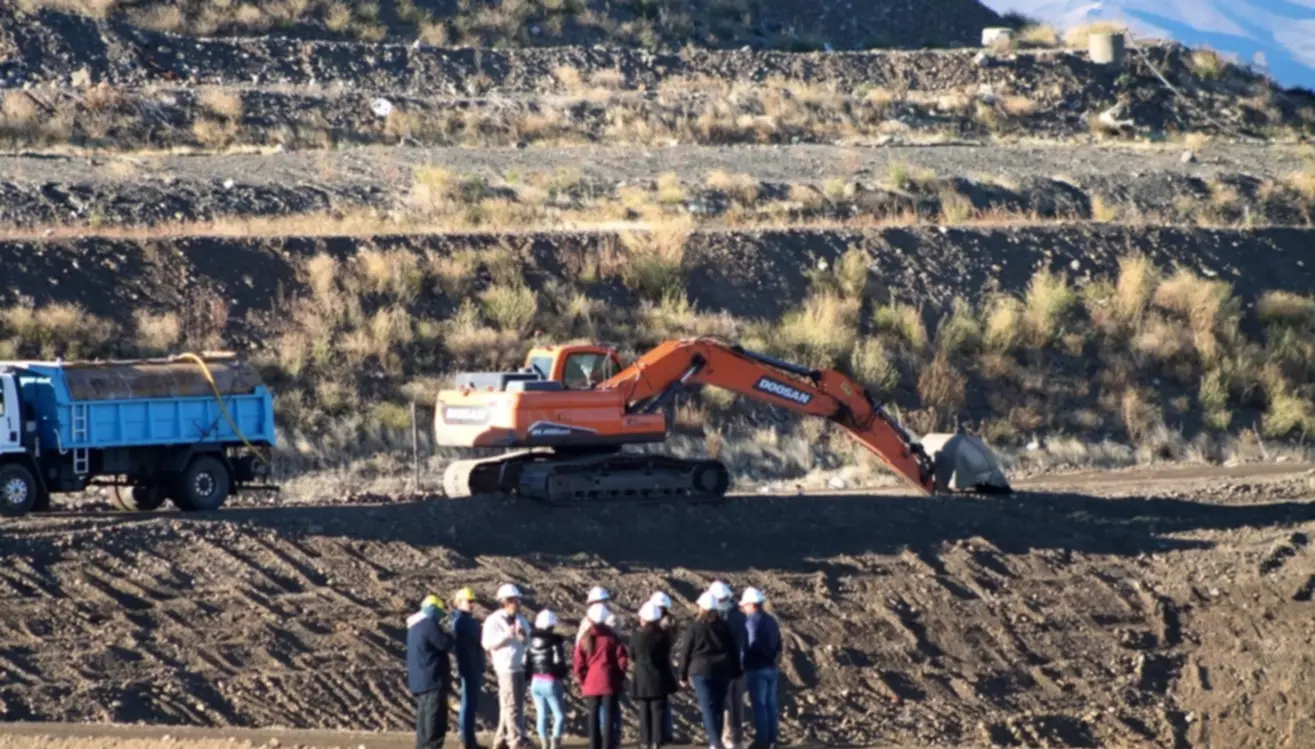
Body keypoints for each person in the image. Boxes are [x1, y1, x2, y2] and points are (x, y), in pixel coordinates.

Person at [679, 591, 742, 749]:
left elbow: (686, 651)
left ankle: (714, 742)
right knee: (719, 706)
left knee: (708, 707)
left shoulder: (694, 627)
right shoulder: (724, 627)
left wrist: (683, 675)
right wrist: (736, 671)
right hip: (723, 670)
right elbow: (732, 650)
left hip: (701, 671)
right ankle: (717, 741)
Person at [573, 602, 629, 749]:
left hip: (591, 683)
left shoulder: (584, 639)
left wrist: (583, 680)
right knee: (609, 717)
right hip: (609, 682)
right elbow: (622, 659)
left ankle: (594, 745)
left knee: (593, 716)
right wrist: (618, 676)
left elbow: (578, 664)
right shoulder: (612, 638)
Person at [483, 583, 531, 749]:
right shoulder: (494, 621)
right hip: (505, 667)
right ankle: (515, 739)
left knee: (511, 704)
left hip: (519, 666)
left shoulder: (521, 620)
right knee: (511, 705)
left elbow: (528, 641)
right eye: (512, 600)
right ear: (503, 601)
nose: (516, 603)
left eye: (517, 600)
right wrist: (507, 635)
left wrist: (524, 637)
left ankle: (501, 738)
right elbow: (487, 643)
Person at [630, 601, 679, 749]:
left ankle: (645, 741)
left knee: (644, 710)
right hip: (659, 678)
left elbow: (632, 655)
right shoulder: (663, 637)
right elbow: (665, 657)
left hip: (642, 678)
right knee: (658, 711)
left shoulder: (636, 636)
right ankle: (657, 741)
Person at [408, 594, 453, 749]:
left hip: (420, 681)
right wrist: (452, 633)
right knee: (435, 722)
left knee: (423, 721)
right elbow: (444, 644)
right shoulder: (428, 625)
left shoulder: (414, 626)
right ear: (433, 609)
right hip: (433, 679)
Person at [739, 588, 782, 749]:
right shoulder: (771, 620)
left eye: (745, 605)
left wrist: (742, 662)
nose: (743, 608)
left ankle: (762, 740)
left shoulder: (749, 621)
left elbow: (749, 644)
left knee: (759, 704)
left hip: (756, 668)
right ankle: (772, 739)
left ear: (751, 604)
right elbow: (779, 643)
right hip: (771, 668)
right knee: (771, 704)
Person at [709, 581, 746, 749]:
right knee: (737, 700)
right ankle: (737, 738)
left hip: (725, 665)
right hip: (740, 664)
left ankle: (728, 736)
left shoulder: (721, 621)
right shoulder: (740, 616)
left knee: (726, 701)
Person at [526, 609, 568, 749]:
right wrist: (562, 675)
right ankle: (555, 743)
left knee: (542, 715)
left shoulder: (530, 641)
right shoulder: (555, 642)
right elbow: (559, 663)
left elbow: (526, 662)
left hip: (535, 682)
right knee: (559, 715)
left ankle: (544, 744)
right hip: (550, 681)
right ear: (551, 625)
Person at [452, 587, 486, 749]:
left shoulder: (466, 620)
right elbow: (479, 637)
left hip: (473, 665)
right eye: (469, 601)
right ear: (459, 602)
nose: (472, 604)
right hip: (469, 666)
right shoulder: (462, 621)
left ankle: (469, 739)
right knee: (468, 704)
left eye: (473, 602)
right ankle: (467, 740)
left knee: (471, 704)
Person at [649, 592, 678, 744]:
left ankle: (659, 734)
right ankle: (665, 732)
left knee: (659, 701)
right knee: (664, 700)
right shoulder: (670, 621)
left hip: (659, 664)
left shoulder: (662, 624)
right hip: (665, 663)